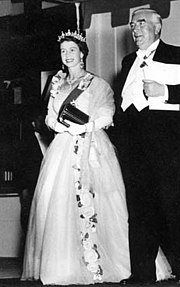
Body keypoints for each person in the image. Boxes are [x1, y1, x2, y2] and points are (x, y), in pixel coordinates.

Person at [21, 30, 131, 285]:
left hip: (92, 146)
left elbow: (108, 114)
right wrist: (60, 127)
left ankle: (107, 262)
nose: (67, 55)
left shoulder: (97, 84)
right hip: (62, 147)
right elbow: (49, 116)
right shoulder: (56, 84)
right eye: (63, 51)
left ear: (82, 54)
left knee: (100, 202)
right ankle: (64, 265)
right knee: (57, 203)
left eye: (72, 50)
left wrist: (86, 127)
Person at [113, 8, 180, 284]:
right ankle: (142, 273)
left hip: (168, 150)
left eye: (141, 23)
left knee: (172, 209)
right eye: (132, 25)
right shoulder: (128, 61)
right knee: (139, 214)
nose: (135, 29)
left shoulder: (178, 55)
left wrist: (164, 91)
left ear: (158, 26)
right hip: (135, 152)